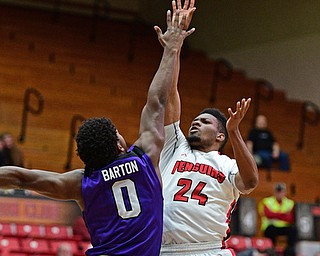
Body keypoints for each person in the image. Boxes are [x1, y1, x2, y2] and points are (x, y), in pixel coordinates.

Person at [0, 11, 195, 256]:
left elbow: (21, 178)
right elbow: (157, 100)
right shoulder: (144, 158)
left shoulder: (81, 183)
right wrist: (171, 48)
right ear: (119, 145)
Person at [158, 1, 259, 255]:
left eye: (205, 122)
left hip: (208, 249)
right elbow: (170, 94)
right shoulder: (175, 147)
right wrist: (175, 47)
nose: (195, 122)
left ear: (220, 135)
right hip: (164, 249)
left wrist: (235, 131)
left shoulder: (226, 164)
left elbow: (251, 181)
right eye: (196, 119)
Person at [258, 183, 296, 256]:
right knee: (270, 230)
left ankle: (290, 251)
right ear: (274, 192)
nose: (279, 194)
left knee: (293, 229)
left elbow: (290, 218)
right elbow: (268, 214)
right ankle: (271, 251)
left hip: (284, 227)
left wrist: (275, 215)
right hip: (271, 227)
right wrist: (283, 215)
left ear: (285, 192)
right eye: (277, 191)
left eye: (281, 191)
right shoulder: (266, 201)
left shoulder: (290, 203)